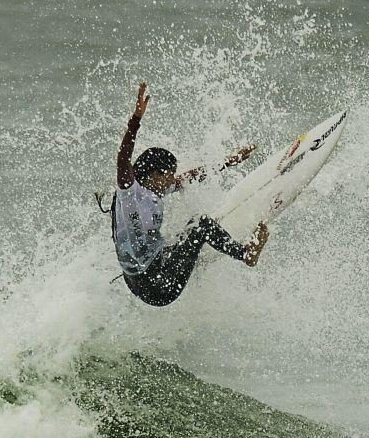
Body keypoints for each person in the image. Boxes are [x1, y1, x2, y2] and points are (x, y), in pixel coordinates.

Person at [111, 82, 268, 307]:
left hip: (141, 278)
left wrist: (229, 161)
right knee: (200, 224)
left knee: (184, 235)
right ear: (154, 175)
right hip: (159, 288)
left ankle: (195, 256)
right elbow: (123, 158)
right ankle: (245, 254)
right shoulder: (129, 194)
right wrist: (135, 120)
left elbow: (191, 177)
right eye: (169, 174)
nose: (172, 180)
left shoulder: (154, 188)